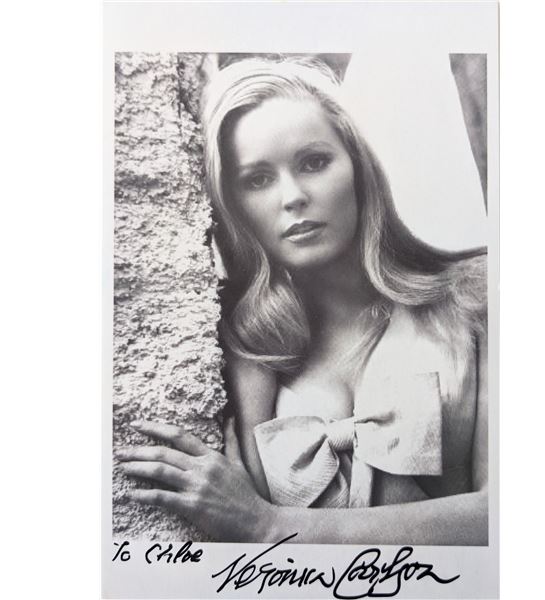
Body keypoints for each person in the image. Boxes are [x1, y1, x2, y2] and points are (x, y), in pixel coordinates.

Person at [117, 57, 488, 545]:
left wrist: (266, 524)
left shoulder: (478, 297)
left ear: (358, 168)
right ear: (232, 205)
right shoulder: (232, 348)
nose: (292, 196)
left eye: (313, 162)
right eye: (257, 179)